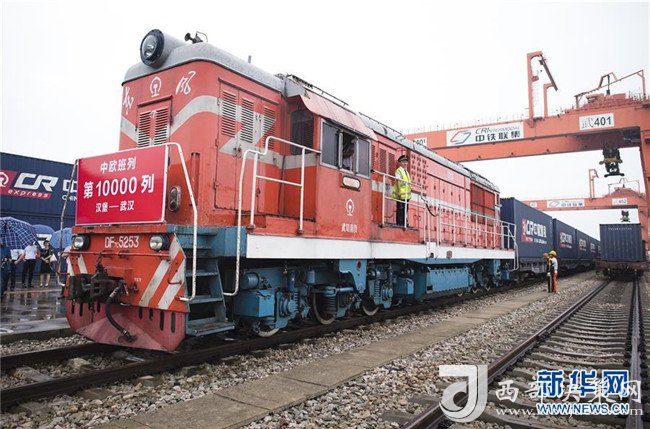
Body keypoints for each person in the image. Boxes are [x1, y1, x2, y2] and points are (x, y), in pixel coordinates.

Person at [393, 154, 412, 227]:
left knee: (405, 210)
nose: (405, 163)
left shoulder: (406, 172)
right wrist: (399, 191)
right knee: (400, 209)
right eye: (403, 162)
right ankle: (399, 223)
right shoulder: (398, 171)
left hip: (407, 195)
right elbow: (398, 180)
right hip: (401, 194)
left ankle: (404, 223)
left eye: (406, 162)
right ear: (400, 162)